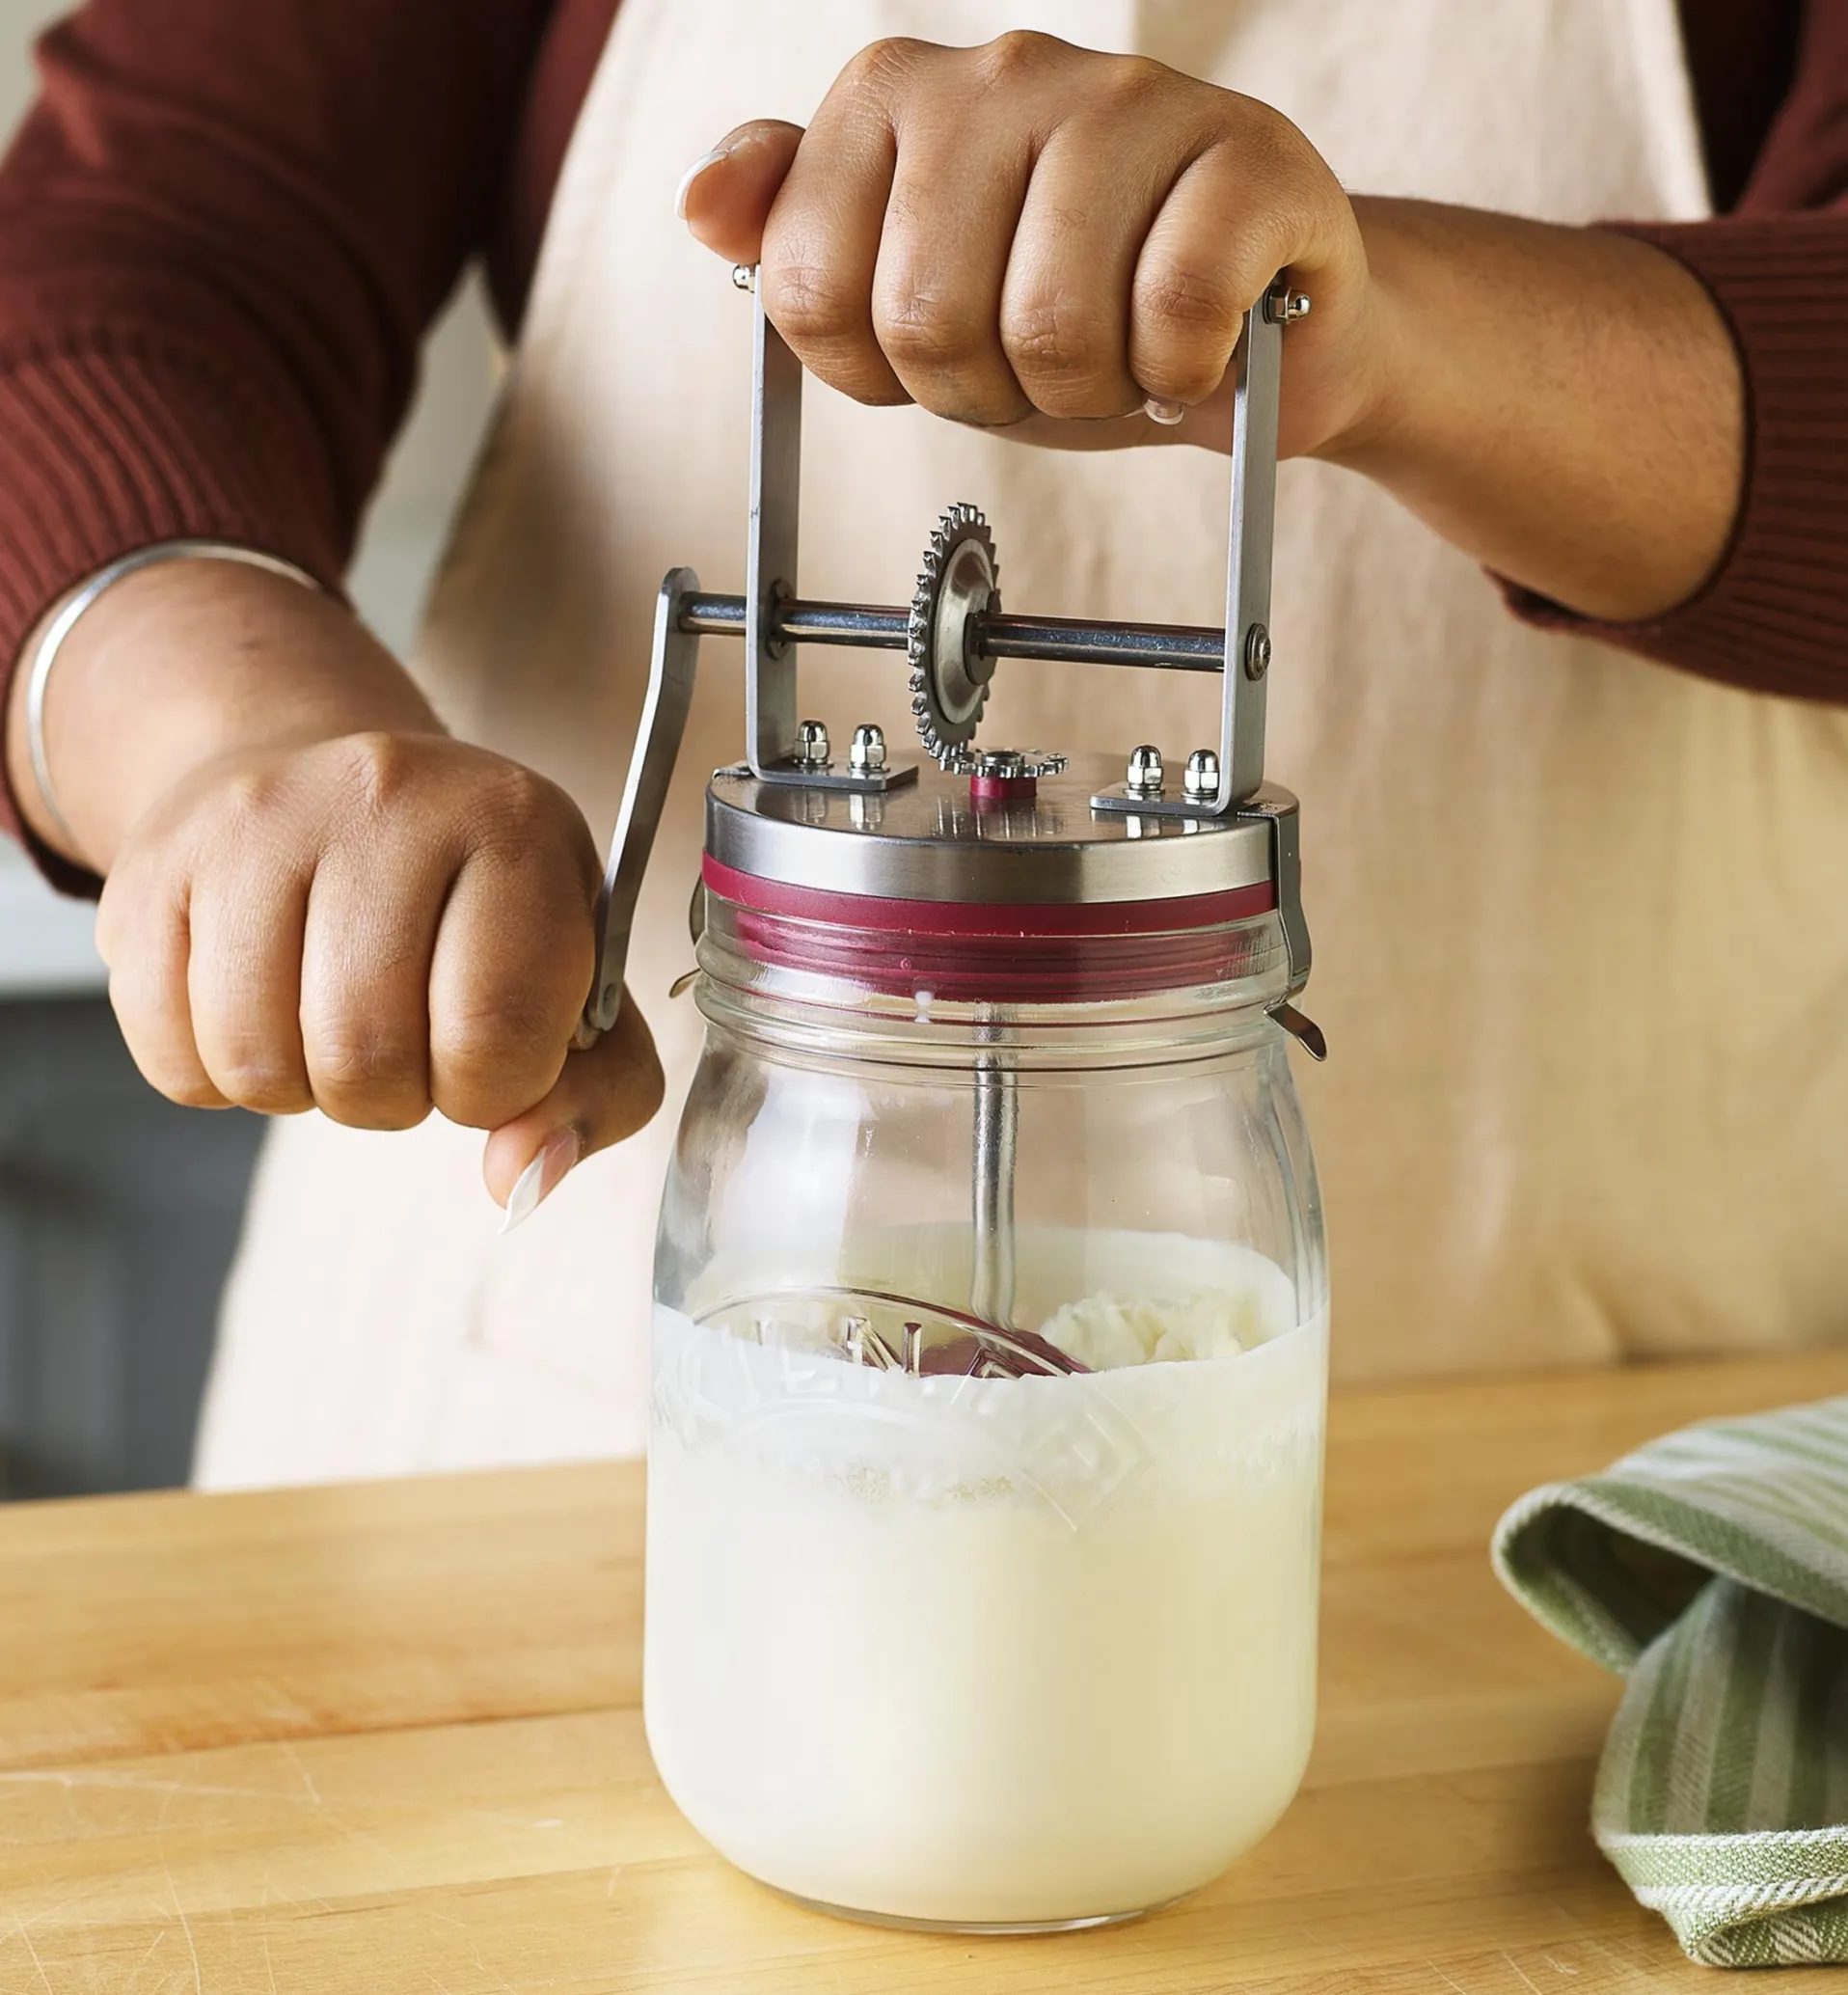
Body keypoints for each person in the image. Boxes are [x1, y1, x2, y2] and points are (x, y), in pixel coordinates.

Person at [2, 2, 1846, 1486]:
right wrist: (219, 731)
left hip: (1597, 1482)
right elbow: (141, 248)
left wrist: (1382, 326)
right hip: (550, 1443)